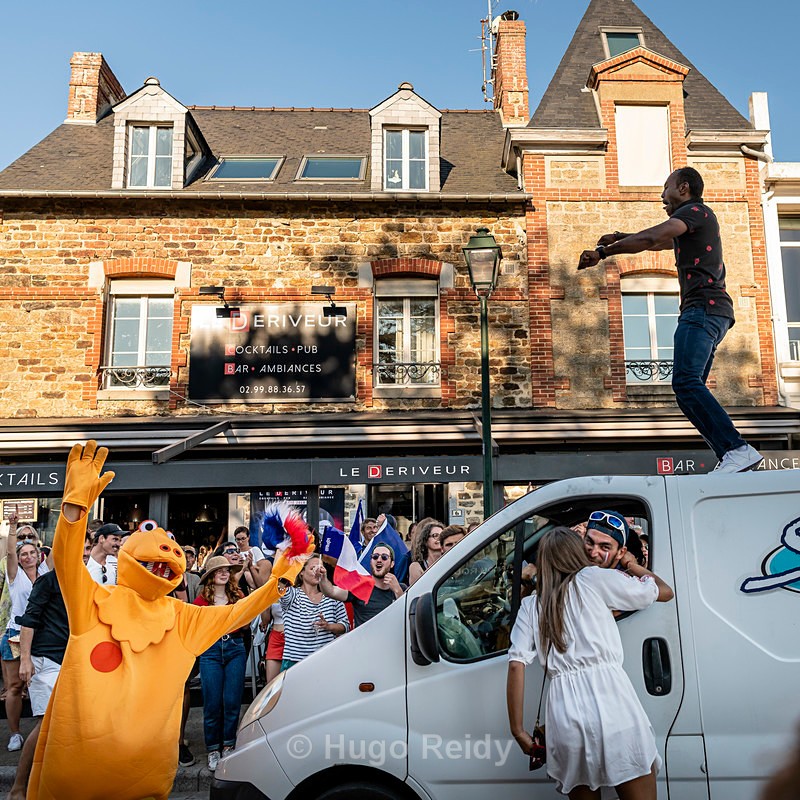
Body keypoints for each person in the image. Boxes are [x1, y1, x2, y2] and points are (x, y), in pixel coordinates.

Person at [578, 166, 762, 475]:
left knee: (685, 382)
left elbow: (653, 236)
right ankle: (732, 454)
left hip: (702, 309)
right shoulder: (693, 221)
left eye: (666, 188)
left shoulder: (695, 212)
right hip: (713, 312)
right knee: (688, 386)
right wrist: (623, 237)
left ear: (684, 188)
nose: (662, 195)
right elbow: (660, 241)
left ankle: (736, 448)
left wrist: (603, 251)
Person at [507, 527, 674, 799]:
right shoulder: (594, 579)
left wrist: (518, 730)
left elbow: (516, 664)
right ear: (576, 554)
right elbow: (662, 591)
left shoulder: (531, 606)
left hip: (564, 715)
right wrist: (630, 563)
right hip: (613, 703)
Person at [8, 568, 68, 800]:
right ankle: (18, 788)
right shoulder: (49, 580)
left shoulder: (84, 578)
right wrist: (25, 660)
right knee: (46, 724)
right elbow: (29, 619)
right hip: (45, 659)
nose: (83, 554)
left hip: (70, 660)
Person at [192, 556, 249, 772]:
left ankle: (228, 746)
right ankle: (213, 748)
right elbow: (195, 626)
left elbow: (245, 624)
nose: (224, 573)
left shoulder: (238, 595)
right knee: (212, 702)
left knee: (233, 701)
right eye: (219, 571)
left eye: (227, 570)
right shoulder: (201, 601)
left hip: (235, 647)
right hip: (211, 650)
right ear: (210, 577)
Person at [2, 520, 41, 751]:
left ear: (38, 553)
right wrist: (13, 527)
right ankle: (15, 734)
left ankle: (40, 732)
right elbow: (9, 551)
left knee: (40, 684)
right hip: (15, 634)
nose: (27, 557)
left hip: (41, 636)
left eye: (31, 552)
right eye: (22, 554)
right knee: (15, 687)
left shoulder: (46, 572)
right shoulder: (14, 575)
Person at [279, 553, 349, 670]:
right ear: (301, 572)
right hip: (294, 662)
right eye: (313, 568)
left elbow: (345, 626)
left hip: (325, 661)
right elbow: (280, 583)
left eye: (320, 568)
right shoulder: (292, 594)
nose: (318, 572)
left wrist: (328, 626)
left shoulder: (332, 595)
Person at [320, 543, 405, 628]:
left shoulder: (401, 588)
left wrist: (398, 591)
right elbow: (331, 591)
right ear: (371, 561)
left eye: (384, 557)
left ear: (392, 563)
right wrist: (322, 577)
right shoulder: (361, 586)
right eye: (375, 556)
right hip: (364, 640)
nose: (379, 560)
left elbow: (407, 616)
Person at [408, 520, 444, 586]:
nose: (439, 539)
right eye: (435, 535)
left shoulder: (448, 561)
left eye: (441, 535)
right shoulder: (417, 566)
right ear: (425, 540)